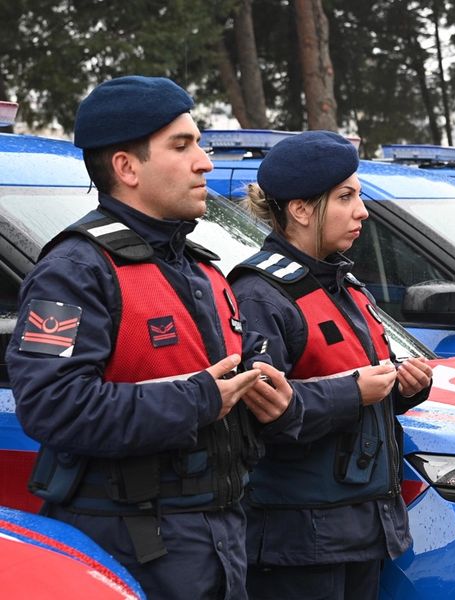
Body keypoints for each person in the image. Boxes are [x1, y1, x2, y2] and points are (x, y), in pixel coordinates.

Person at [6, 75, 301, 599]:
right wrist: (199, 399)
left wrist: (261, 383)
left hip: (216, 533)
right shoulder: (76, 270)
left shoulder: (197, 266)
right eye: (183, 146)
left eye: (200, 144)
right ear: (126, 167)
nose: (204, 162)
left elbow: (218, 365)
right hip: (131, 542)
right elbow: (52, 406)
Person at [229, 131, 433, 600]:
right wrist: (353, 391)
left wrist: (404, 387)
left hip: (358, 528)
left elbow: (362, 385)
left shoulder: (344, 283)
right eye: (346, 197)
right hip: (298, 541)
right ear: (301, 210)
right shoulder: (261, 294)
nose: (362, 210)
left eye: (358, 195)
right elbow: (260, 416)